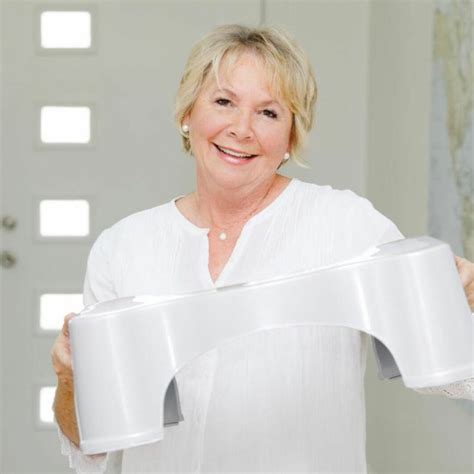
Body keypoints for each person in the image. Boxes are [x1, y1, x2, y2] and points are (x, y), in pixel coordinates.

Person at [50, 24, 474, 473]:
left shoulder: (348, 225)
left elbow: (452, 376)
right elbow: (92, 444)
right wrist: (70, 378)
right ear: (187, 113)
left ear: (291, 136)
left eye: (268, 113)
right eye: (223, 102)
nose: (242, 129)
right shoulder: (122, 248)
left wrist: (463, 305)